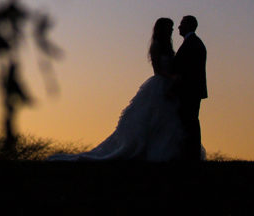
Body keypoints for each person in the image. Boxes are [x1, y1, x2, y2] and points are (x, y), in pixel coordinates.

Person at [47, 18, 186, 161]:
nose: (172, 30)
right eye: (170, 27)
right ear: (162, 29)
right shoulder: (156, 46)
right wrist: (172, 77)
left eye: (172, 27)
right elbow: (157, 69)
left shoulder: (168, 47)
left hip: (169, 85)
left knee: (167, 121)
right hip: (160, 84)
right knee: (152, 118)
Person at [173, 15, 207, 161]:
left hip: (189, 90)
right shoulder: (193, 43)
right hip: (191, 90)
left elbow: (188, 70)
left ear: (188, 25)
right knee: (189, 121)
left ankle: (192, 154)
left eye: (181, 24)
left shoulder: (193, 44)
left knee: (190, 121)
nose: (179, 27)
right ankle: (189, 153)